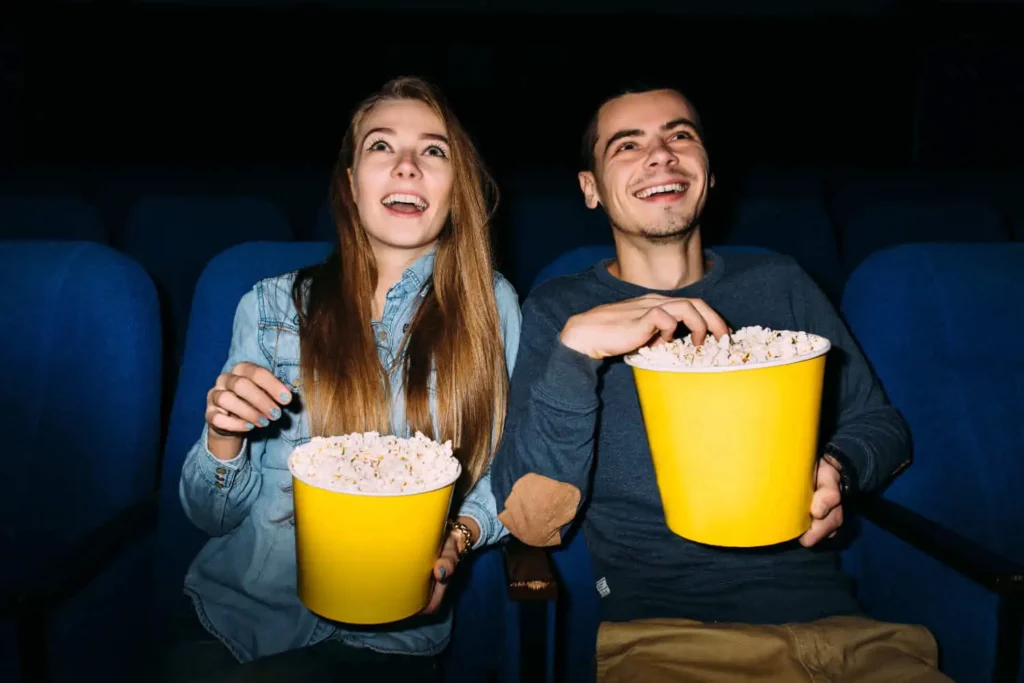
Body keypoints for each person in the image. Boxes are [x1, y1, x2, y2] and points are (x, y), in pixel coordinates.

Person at [490, 83, 951, 682]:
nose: (660, 155)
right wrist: (576, 353)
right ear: (591, 188)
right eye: (627, 145)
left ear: (708, 172)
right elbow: (531, 520)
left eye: (679, 135)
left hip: (848, 635)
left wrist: (838, 468)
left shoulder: (782, 281)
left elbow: (881, 425)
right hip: (668, 639)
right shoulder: (562, 312)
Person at [163, 76, 521, 683]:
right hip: (236, 618)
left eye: (433, 151)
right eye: (382, 146)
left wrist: (461, 535)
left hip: (391, 640)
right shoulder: (271, 305)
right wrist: (223, 434)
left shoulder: (493, 307)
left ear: (457, 186)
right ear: (351, 183)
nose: (406, 165)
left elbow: (513, 466)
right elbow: (211, 518)